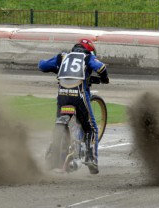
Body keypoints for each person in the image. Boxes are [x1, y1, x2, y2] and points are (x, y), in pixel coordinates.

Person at [38, 38, 109, 174]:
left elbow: (42, 66)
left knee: (57, 125)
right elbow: (101, 68)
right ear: (89, 51)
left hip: (62, 97)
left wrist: (54, 68)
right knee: (91, 127)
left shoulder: (62, 57)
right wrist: (104, 78)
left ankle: (54, 155)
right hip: (79, 96)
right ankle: (91, 158)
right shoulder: (87, 58)